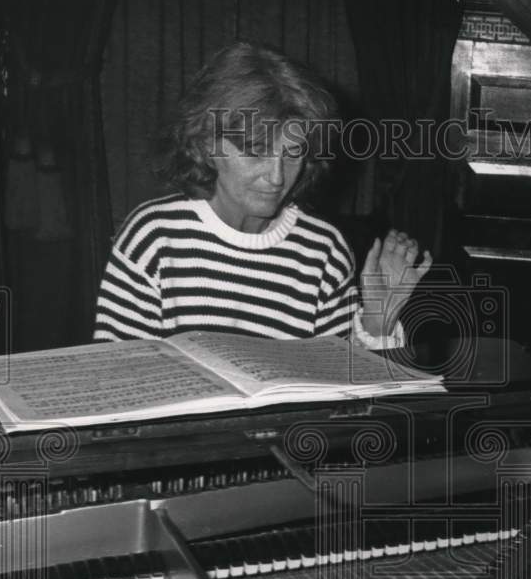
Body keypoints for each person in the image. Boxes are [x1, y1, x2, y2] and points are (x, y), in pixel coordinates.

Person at [93, 42, 431, 349]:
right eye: (255, 151)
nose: (276, 176)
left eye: (293, 153)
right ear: (207, 146)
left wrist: (378, 319)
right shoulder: (153, 237)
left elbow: (344, 388)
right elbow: (115, 376)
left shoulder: (323, 251)